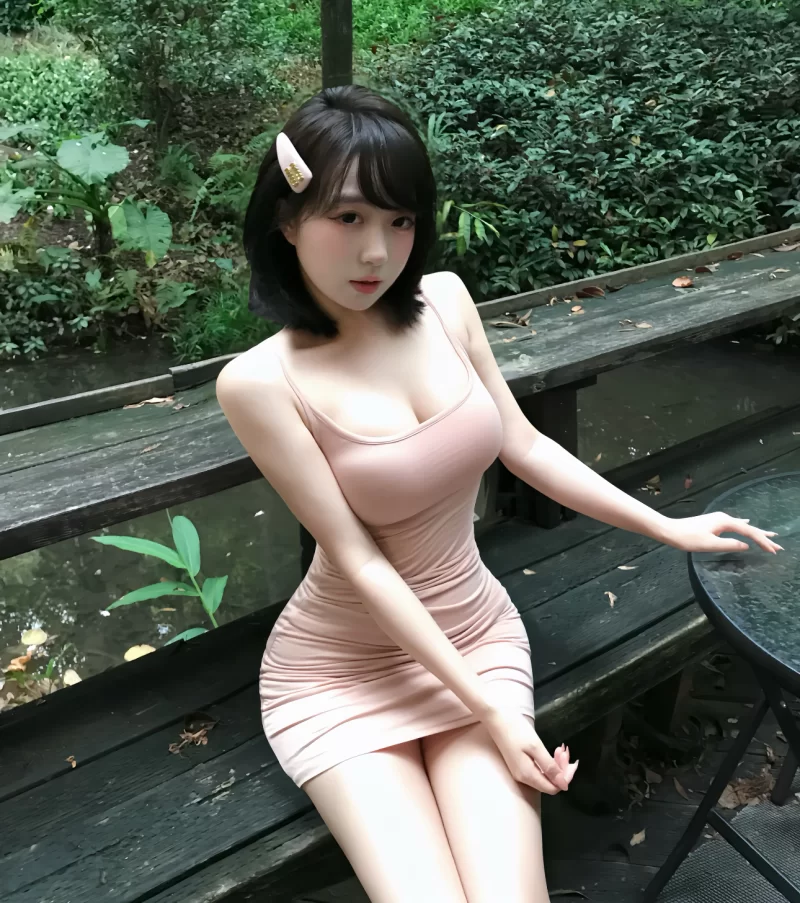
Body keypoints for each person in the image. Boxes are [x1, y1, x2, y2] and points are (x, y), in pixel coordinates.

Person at [215, 84, 782, 903]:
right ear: (286, 218)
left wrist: (666, 524)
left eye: (399, 220)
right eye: (347, 217)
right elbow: (359, 560)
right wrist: (489, 711)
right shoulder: (260, 382)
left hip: (474, 634)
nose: (377, 251)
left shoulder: (444, 302)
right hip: (340, 672)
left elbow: (524, 444)